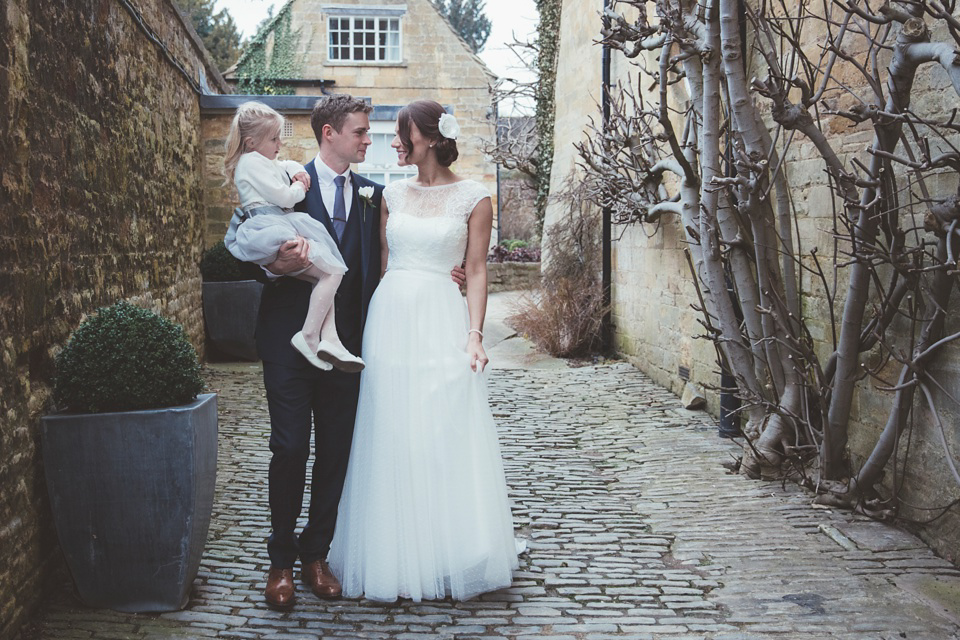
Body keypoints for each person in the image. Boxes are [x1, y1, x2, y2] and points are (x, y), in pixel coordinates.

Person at [250, 95, 466, 609]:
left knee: (336, 454)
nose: (372, 140)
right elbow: (247, 245)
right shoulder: (284, 186)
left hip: (350, 346)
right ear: (330, 134)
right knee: (289, 449)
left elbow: (405, 258)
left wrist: (450, 272)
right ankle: (280, 562)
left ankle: (316, 555)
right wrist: (273, 263)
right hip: (288, 340)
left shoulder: (377, 196)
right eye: (362, 132)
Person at [327, 100, 521, 601]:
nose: (393, 142)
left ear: (431, 138)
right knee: (393, 428)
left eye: (402, 135)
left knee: (442, 426)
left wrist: (475, 335)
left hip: (441, 316)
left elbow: (476, 270)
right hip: (390, 320)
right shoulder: (390, 194)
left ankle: (451, 549)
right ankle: (394, 550)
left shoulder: (475, 198)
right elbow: (384, 264)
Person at [223, 101, 363, 372]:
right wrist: (299, 185)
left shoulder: (262, 159)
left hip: (277, 220)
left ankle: (330, 340)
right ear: (251, 142)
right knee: (333, 271)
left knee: (324, 275)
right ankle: (310, 335)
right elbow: (284, 196)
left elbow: (284, 162)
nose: (280, 143)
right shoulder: (251, 162)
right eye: (274, 138)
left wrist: (296, 168)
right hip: (269, 224)